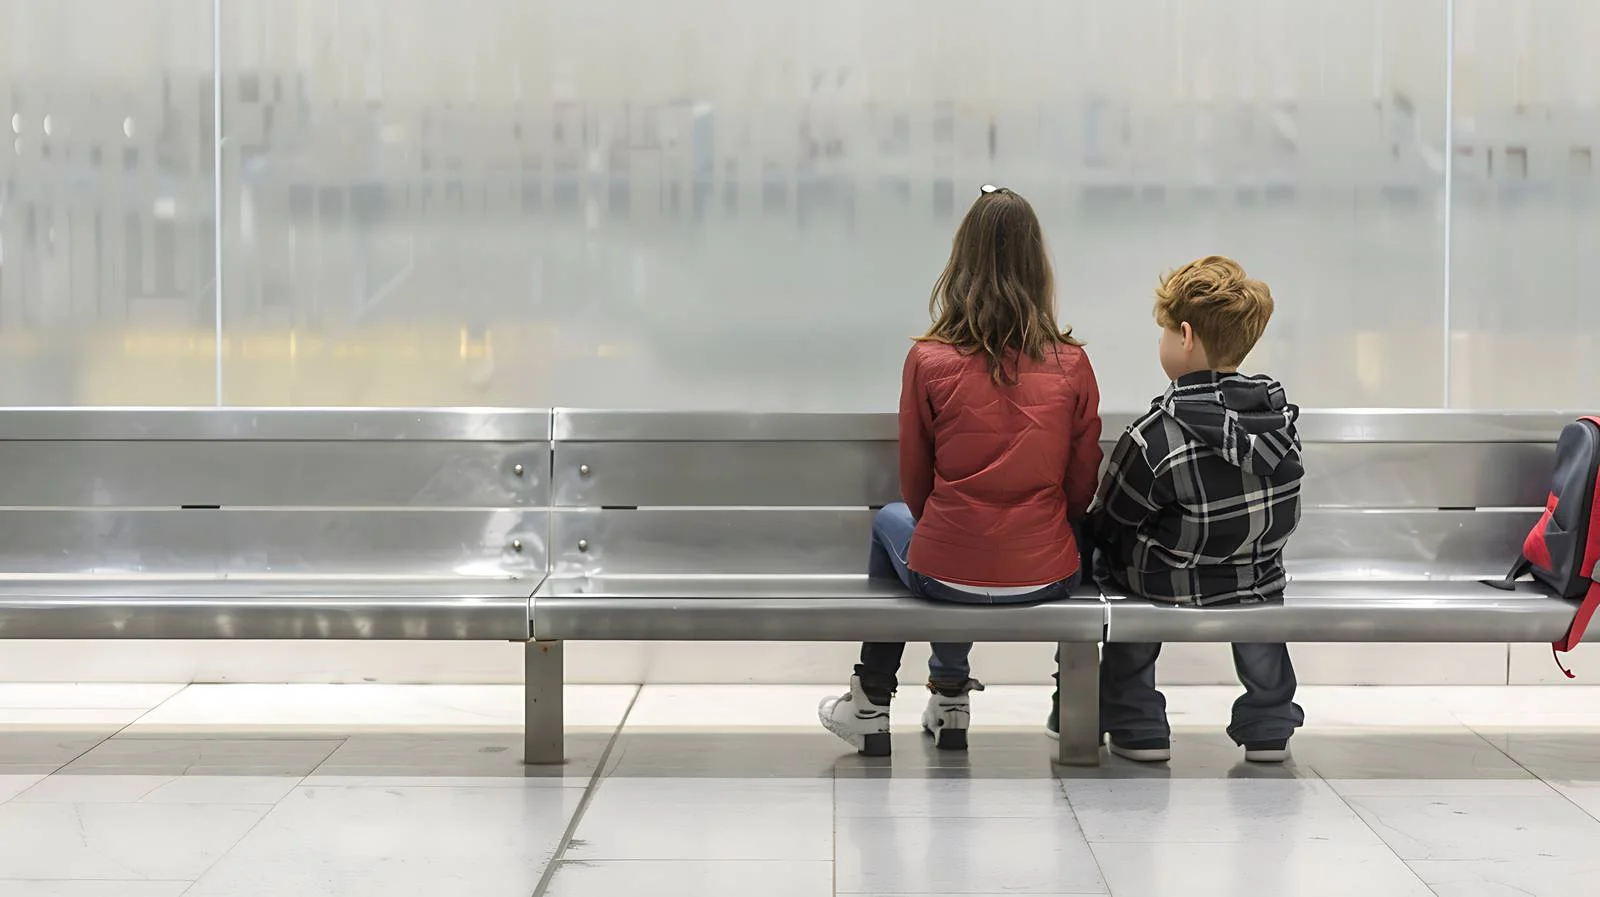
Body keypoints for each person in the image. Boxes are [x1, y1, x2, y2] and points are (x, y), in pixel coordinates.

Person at [819, 185, 1103, 757]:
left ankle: (873, 699)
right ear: (1037, 265)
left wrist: (961, 525)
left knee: (892, 522)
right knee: (1038, 532)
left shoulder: (928, 360)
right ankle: (951, 693)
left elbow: (916, 490)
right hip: (1048, 574)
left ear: (961, 263)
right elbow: (1080, 489)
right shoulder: (1071, 363)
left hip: (945, 572)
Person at [1065, 255, 1305, 763]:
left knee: (1117, 572)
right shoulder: (1278, 422)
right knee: (1259, 600)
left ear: (1186, 336)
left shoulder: (1156, 433)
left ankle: (1137, 723)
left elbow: (1113, 519)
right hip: (1255, 576)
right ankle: (1269, 723)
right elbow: (1285, 509)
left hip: (1166, 579)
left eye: (1165, 332)